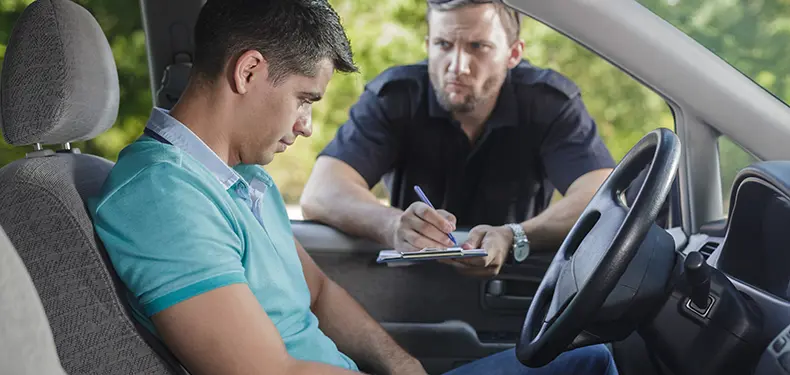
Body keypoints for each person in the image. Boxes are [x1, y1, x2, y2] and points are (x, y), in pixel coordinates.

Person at [90, 0, 617, 374]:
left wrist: (401, 363)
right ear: (249, 71)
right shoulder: (164, 197)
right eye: (304, 99)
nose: (305, 126)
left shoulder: (243, 180)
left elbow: (318, 292)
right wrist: (393, 224)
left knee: (593, 359)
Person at [300, 0, 616, 278]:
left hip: (514, 289)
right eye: (443, 45)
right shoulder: (395, 98)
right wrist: (391, 224)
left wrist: (515, 235)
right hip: (413, 288)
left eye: (478, 46)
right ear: (427, 45)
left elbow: (601, 197)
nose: (457, 66)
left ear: (514, 53)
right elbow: (321, 192)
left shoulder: (549, 103)